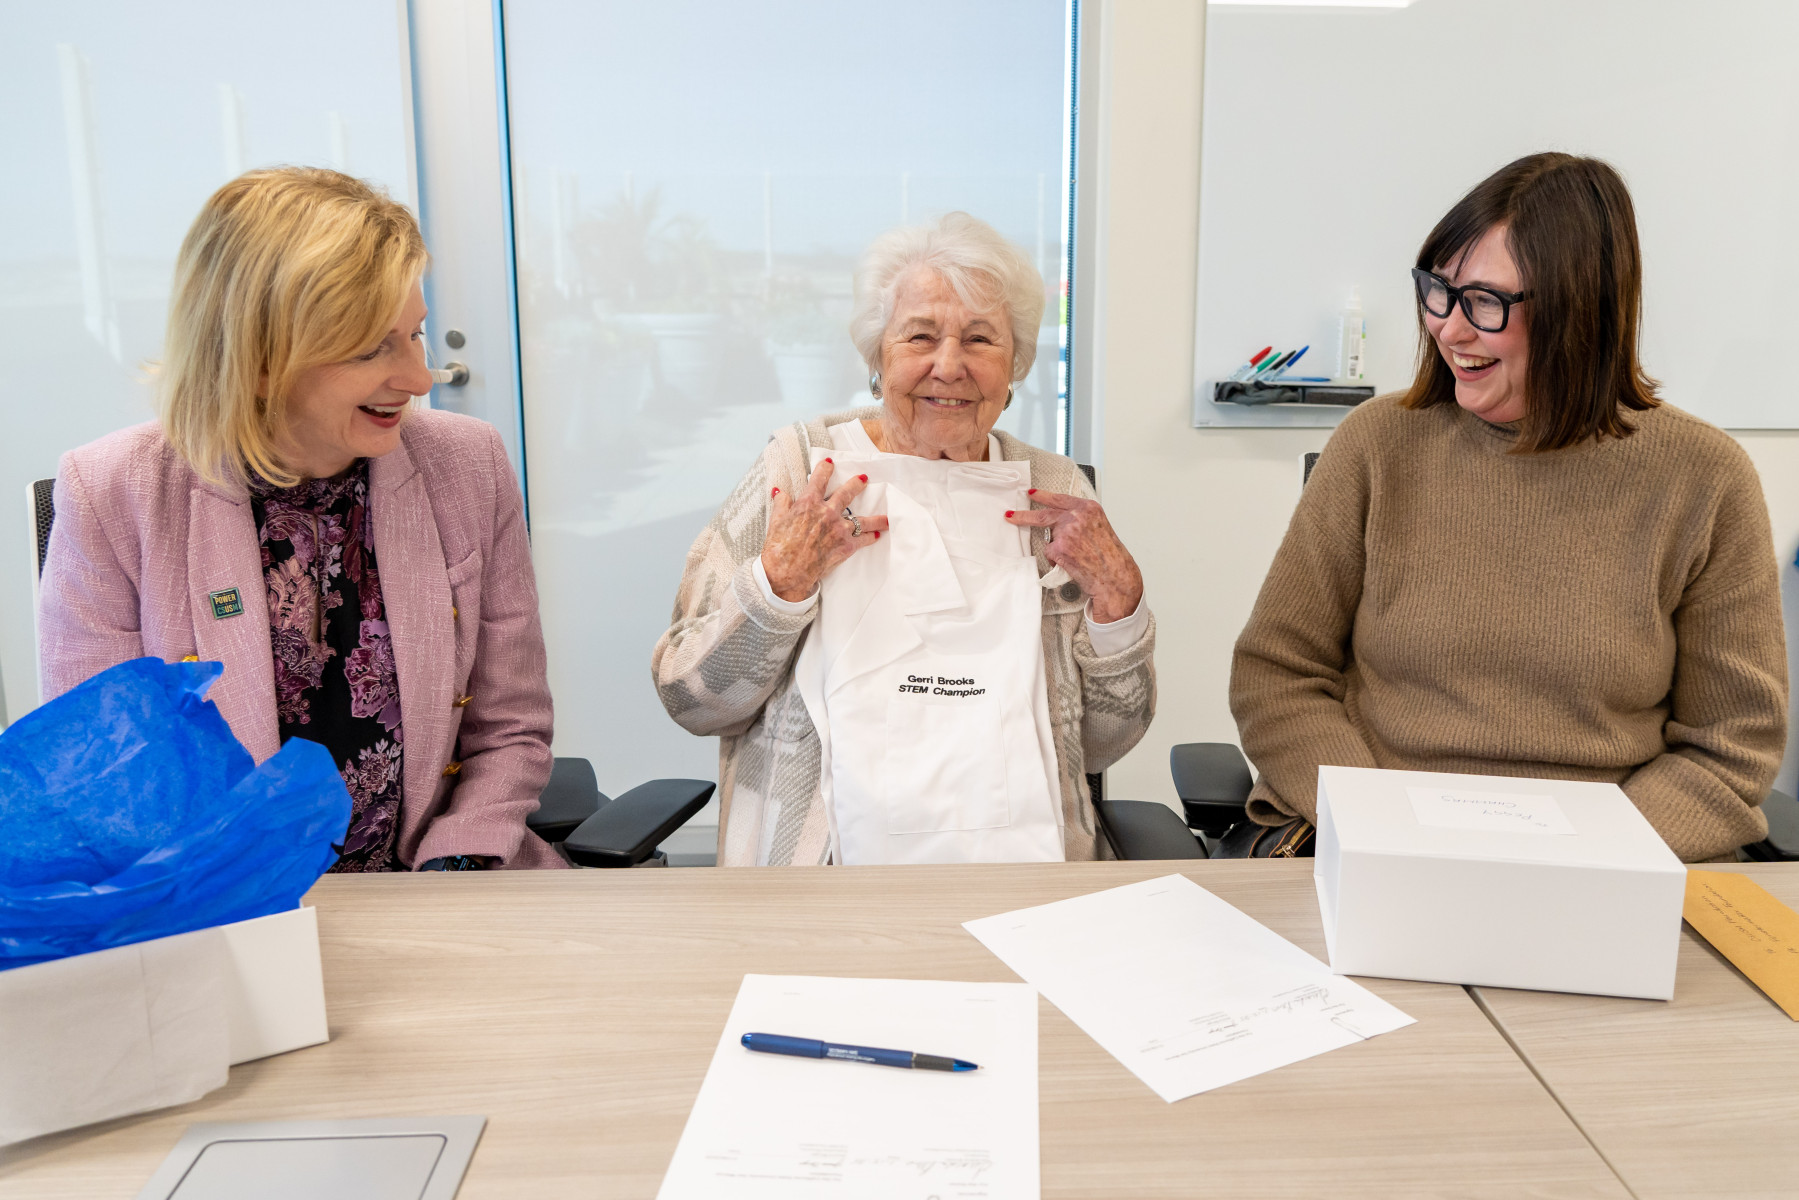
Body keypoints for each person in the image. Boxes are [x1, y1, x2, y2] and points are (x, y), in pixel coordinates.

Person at [1229, 152, 1787, 863]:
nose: (1448, 329)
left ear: (1579, 314)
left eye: (1484, 302)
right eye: (1438, 291)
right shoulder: (1376, 445)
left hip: (1608, 861)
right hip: (1383, 841)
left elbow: (1730, 746)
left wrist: (1588, 857)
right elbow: (1277, 674)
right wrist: (1376, 823)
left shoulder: (1704, 478)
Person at [39, 167, 563, 871]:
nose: (418, 378)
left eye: (415, 335)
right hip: (217, 897)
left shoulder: (467, 465)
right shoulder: (111, 491)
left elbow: (510, 728)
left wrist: (458, 864)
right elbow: (101, 775)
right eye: (373, 348)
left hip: (439, 880)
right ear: (259, 360)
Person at [654, 212, 1155, 866]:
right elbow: (690, 699)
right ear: (877, 355)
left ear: (1014, 366)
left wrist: (1120, 605)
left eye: (979, 339)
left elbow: (1101, 743)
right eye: (920, 336)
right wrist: (777, 589)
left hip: (1023, 871)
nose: (948, 366)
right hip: (821, 882)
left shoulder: (1055, 492)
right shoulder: (800, 470)